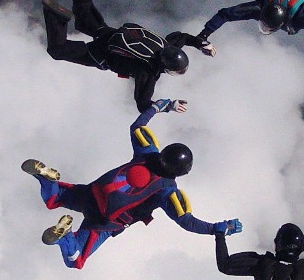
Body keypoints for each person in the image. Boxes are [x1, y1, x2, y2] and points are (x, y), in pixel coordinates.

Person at [22, 99, 241, 269]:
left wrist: (160, 106)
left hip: (91, 193)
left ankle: (46, 178)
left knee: (54, 199)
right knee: (76, 260)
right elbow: (187, 221)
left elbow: (137, 126)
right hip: (105, 221)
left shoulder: (147, 153)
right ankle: (66, 238)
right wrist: (218, 229)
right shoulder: (167, 191)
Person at [42, 0, 215, 112]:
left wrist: (201, 44)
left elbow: (183, 37)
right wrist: (169, 106)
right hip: (102, 54)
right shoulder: (148, 72)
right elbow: (143, 104)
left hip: (113, 34)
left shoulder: (167, 45)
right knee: (58, 50)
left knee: (86, 24)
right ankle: (57, 18)